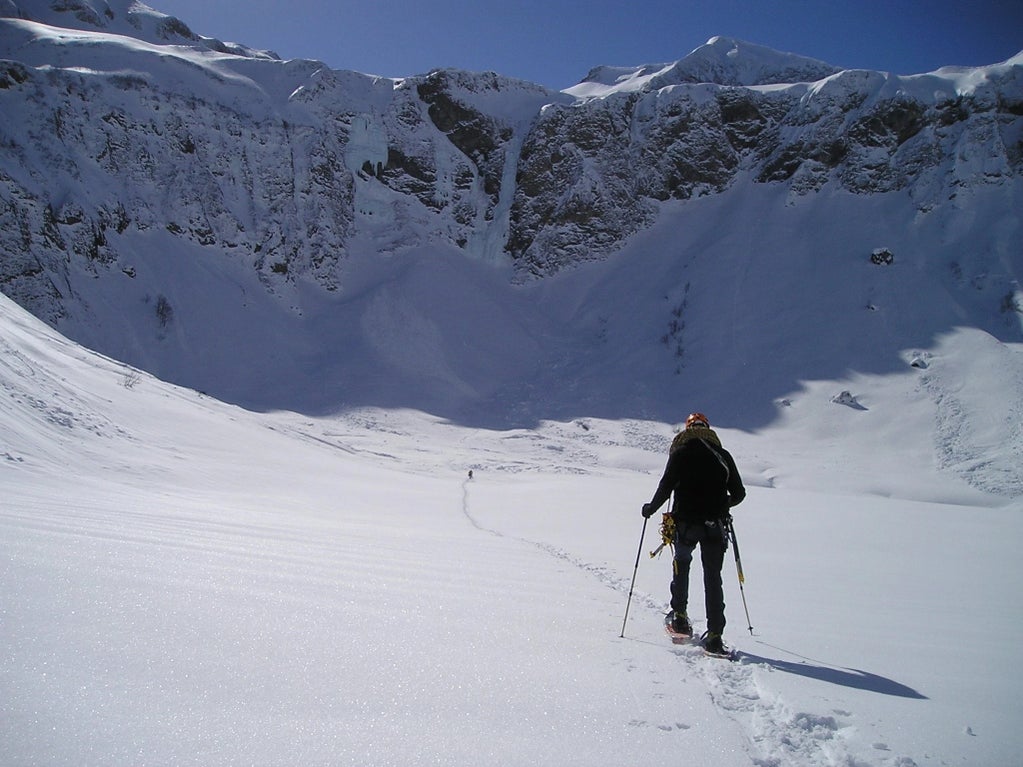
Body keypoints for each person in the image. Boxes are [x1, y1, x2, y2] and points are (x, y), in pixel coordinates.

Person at [642, 412, 745, 654]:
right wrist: (721, 505)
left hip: (685, 524)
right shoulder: (723, 456)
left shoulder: (680, 453)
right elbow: (739, 493)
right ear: (708, 429)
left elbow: (666, 487)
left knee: (682, 565)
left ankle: (679, 616)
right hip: (715, 526)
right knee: (713, 577)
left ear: (687, 430)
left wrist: (650, 509)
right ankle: (716, 635)